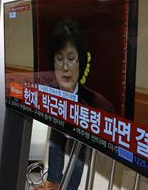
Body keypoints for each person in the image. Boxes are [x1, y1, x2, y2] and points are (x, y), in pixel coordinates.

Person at [38, 20, 114, 190]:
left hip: (81, 145)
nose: (65, 67)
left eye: (71, 59)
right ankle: (53, 182)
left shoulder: (98, 104)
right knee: (55, 139)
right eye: (59, 59)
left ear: (81, 61)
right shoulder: (49, 92)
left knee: (79, 154)